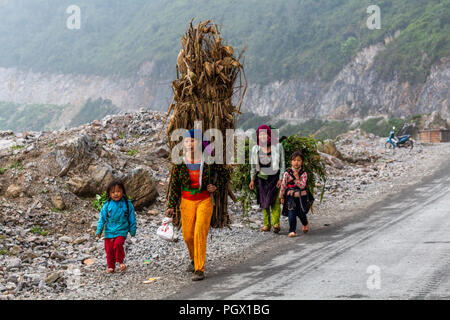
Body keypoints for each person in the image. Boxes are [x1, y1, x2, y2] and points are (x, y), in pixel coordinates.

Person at [166, 129, 228, 281]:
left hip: (204, 200)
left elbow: (224, 174)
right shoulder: (180, 163)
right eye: (187, 141)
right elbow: (174, 185)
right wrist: (171, 206)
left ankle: (199, 269)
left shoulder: (208, 160)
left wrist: (215, 186)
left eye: (193, 140)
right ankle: (194, 259)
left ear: (200, 143)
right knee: (187, 235)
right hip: (186, 202)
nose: (190, 144)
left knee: (200, 232)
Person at [249, 124, 285, 233]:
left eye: (265, 134)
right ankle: (266, 224)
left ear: (269, 135)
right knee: (264, 202)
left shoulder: (278, 147)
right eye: (260, 135)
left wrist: (281, 178)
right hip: (262, 178)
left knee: (275, 201)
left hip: (275, 178)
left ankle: (276, 224)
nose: (263, 136)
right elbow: (253, 165)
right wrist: (252, 179)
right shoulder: (256, 149)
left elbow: (282, 162)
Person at [96, 180, 137, 273]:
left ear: (123, 192)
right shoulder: (107, 205)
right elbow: (102, 218)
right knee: (109, 249)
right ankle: (111, 266)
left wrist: (132, 229)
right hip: (109, 231)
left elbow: (132, 217)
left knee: (118, 244)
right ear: (109, 194)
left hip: (122, 229)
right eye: (113, 192)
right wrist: (99, 230)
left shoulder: (127, 203)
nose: (116, 194)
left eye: (118, 191)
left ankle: (120, 262)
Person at [280, 151, 309, 237]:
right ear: (291, 162)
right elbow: (284, 185)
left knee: (301, 212)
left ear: (302, 162)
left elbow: (302, 185)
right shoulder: (287, 173)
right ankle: (292, 230)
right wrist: (281, 196)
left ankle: (305, 223)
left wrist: (297, 179)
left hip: (301, 196)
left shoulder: (303, 173)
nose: (296, 162)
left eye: (299, 160)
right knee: (291, 212)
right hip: (290, 196)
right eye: (294, 160)